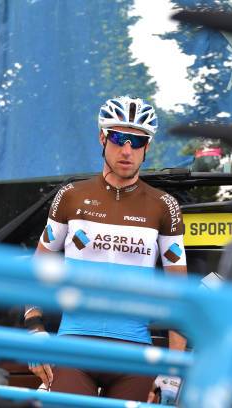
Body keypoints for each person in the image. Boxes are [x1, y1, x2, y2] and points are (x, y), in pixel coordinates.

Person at [24, 96, 187, 402]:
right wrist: (35, 330)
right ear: (102, 137)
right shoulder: (70, 197)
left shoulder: (164, 206)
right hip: (74, 345)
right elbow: (37, 270)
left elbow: (180, 295)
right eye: (118, 137)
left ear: (147, 147)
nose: (127, 150)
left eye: (137, 141)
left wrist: (173, 372)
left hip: (134, 355)